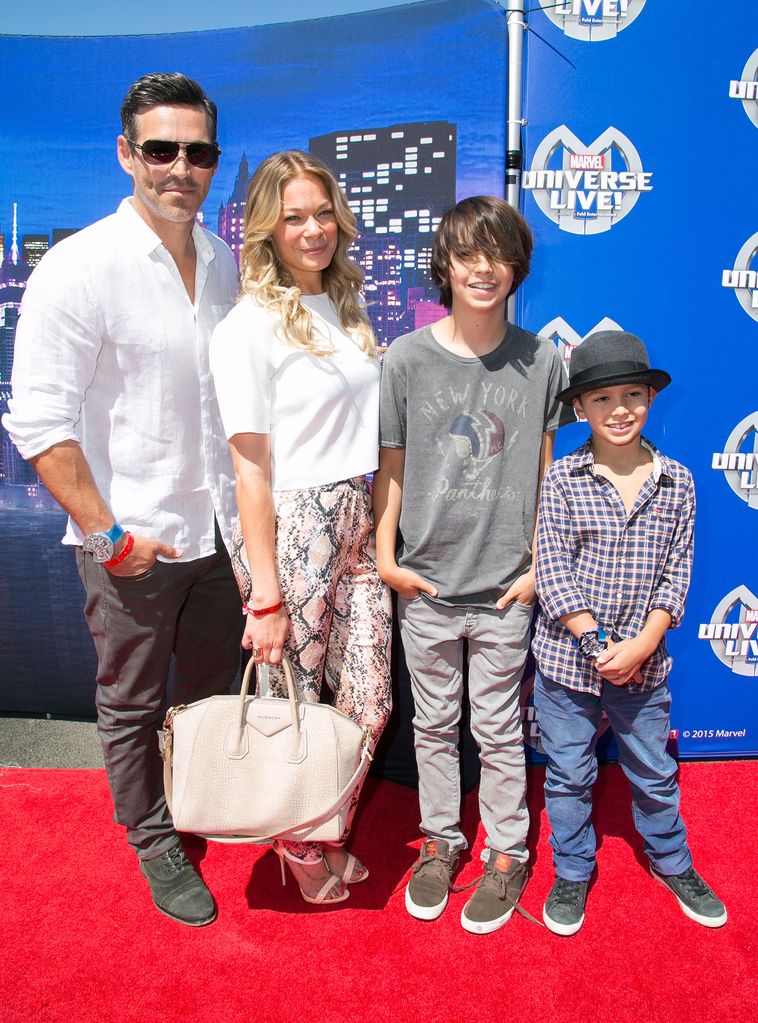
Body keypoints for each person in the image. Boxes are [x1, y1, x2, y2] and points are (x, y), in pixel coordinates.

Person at [3, 73, 242, 927]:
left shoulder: (223, 261)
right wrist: (108, 536)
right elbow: (37, 421)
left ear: (215, 160)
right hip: (133, 539)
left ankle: (200, 801)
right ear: (126, 154)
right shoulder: (80, 265)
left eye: (198, 151)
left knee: (213, 687)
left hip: (218, 532)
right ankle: (150, 836)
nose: (181, 166)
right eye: (161, 149)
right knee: (133, 699)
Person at [373, 195, 569, 933]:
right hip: (423, 582)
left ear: (517, 266)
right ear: (445, 266)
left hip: (503, 587)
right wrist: (386, 555)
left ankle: (508, 850)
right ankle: (442, 841)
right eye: (467, 254)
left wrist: (537, 566)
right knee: (433, 724)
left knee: (497, 726)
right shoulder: (405, 358)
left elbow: (549, 468)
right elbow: (389, 464)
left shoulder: (541, 358)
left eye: (498, 253)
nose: (483, 268)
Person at [209, 150, 392, 907]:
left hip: (359, 514)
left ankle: (319, 827)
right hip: (299, 524)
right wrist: (266, 596)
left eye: (322, 211)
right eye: (293, 217)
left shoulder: (347, 303)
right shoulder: (246, 326)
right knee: (298, 700)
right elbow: (250, 470)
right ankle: (301, 845)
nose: (313, 228)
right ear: (266, 230)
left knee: (370, 698)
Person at [533, 329, 727, 935]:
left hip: (645, 665)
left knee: (653, 770)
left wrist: (643, 643)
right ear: (579, 409)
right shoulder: (563, 481)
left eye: (631, 395)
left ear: (650, 397)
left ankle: (672, 861)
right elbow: (553, 568)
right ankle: (571, 870)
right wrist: (594, 644)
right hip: (568, 663)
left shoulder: (679, 482)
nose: (619, 410)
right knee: (567, 772)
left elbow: (677, 571)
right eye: (601, 399)